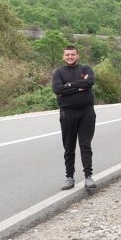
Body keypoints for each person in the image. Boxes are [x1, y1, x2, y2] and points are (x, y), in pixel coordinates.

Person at [51, 45, 97, 191]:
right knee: (69, 146)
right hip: (67, 113)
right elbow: (57, 89)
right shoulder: (59, 72)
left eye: (72, 54)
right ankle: (69, 177)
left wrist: (69, 86)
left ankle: (88, 176)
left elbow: (90, 82)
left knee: (85, 145)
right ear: (63, 56)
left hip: (86, 113)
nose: (70, 57)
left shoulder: (86, 69)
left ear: (77, 55)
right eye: (67, 54)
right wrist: (78, 87)